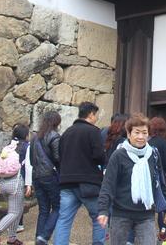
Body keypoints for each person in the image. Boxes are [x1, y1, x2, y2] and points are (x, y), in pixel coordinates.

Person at [97, 114, 166, 245]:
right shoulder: (119, 155)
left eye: (144, 133)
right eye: (137, 132)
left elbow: (160, 183)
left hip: (146, 214)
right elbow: (108, 184)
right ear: (128, 133)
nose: (141, 137)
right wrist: (103, 210)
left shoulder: (153, 154)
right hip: (121, 213)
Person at [53, 101, 106, 245]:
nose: (96, 118)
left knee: (64, 219)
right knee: (99, 217)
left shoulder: (66, 133)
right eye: (96, 115)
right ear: (91, 114)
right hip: (89, 182)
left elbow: (59, 157)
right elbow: (99, 156)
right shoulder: (93, 131)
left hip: (66, 182)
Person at [0, 124, 30, 245]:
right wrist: (28, 184)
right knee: (15, 212)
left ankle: (12, 238)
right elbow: (28, 166)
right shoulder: (26, 147)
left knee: (17, 210)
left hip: (3, 182)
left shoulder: (8, 147)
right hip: (16, 183)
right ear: (26, 135)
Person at [29, 110, 62, 245]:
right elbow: (58, 158)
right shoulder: (54, 136)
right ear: (56, 122)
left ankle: (39, 238)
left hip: (36, 176)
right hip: (50, 176)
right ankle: (43, 236)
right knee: (58, 207)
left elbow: (31, 159)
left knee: (43, 209)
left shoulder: (34, 137)